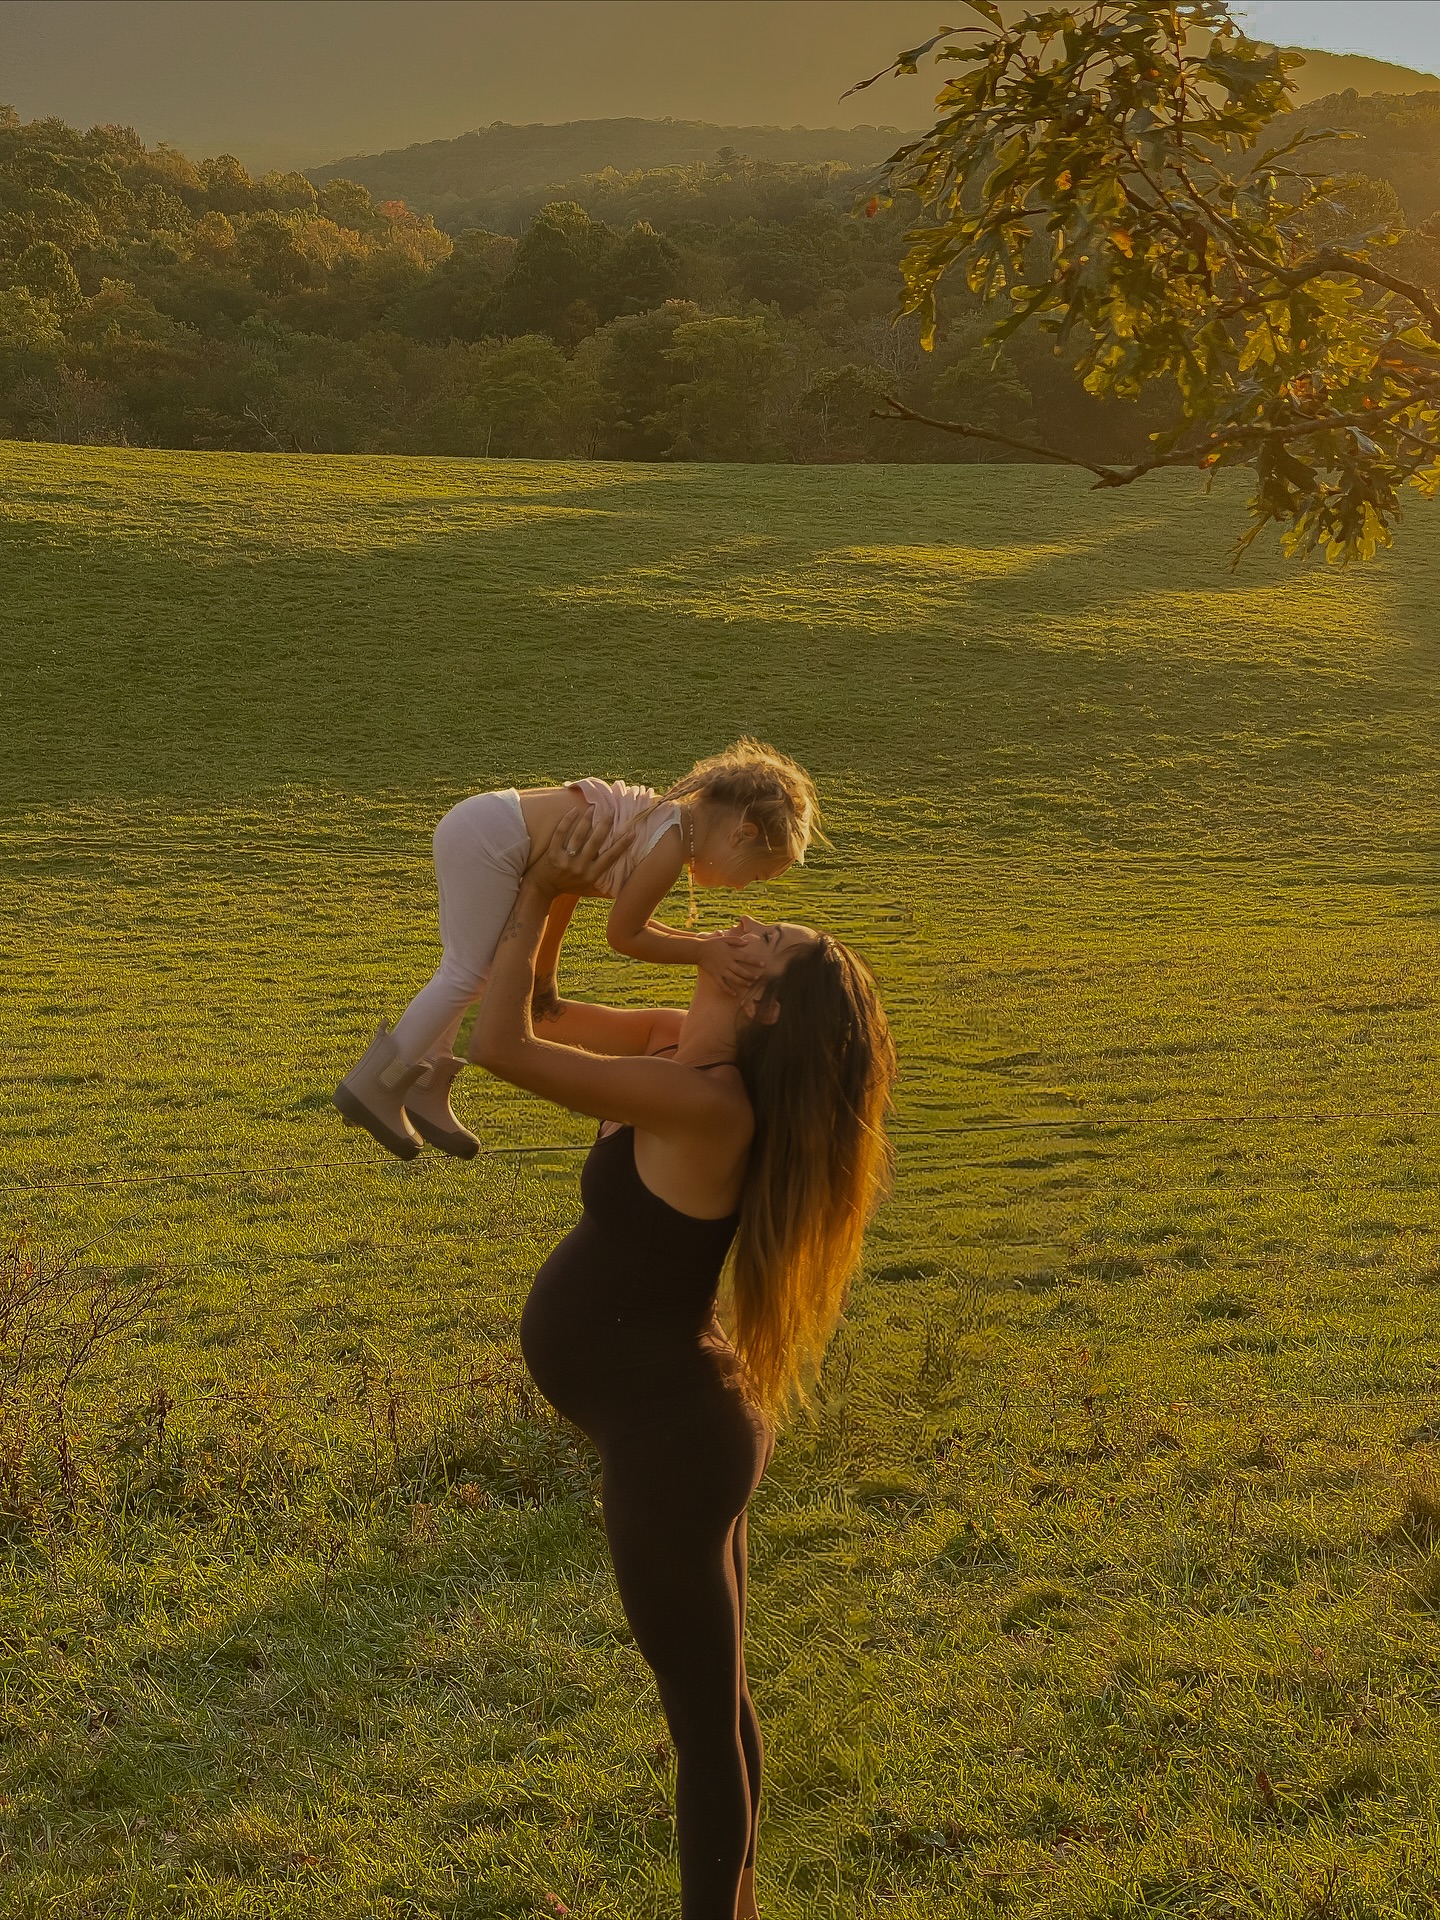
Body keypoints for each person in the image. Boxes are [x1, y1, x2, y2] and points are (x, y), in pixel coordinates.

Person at [469, 801, 897, 1920]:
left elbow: (500, 1045)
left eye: (774, 942)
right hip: (674, 1420)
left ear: (759, 1002)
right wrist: (562, 896)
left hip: (675, 1443)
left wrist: (526, 888)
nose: (752, 927)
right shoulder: (675, 1042)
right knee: (719, 1698)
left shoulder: (707, 1107)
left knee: (701, 1719)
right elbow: (546, 1006)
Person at [333, 739, 821, 1161]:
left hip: (484, 827)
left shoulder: (669, 829)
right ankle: (374, 1083)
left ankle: (426, 1086)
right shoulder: (669, 848)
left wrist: (698, 943)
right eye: (755, 874)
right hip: (490, 840)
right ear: (743, 834)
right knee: (469, 973)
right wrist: (701, 953)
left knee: (478, 971)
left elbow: (631, 918)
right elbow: (624, 935)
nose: (741, 889)